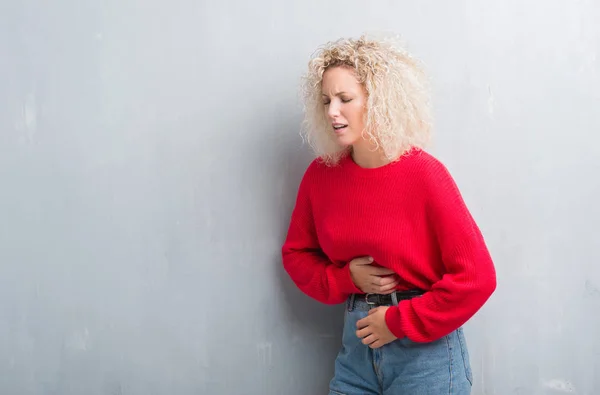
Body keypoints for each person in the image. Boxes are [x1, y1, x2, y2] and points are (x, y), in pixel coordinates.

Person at [281, 33, 497, 395]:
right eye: (326, 100)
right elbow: (296, 255)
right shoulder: (321, 175)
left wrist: (398, 322)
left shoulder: (425, 175)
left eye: (345, 99)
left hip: (425, 356)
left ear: (377, 101)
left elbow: (477, 277)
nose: (332, 111)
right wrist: (345, 278)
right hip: (356, 351)